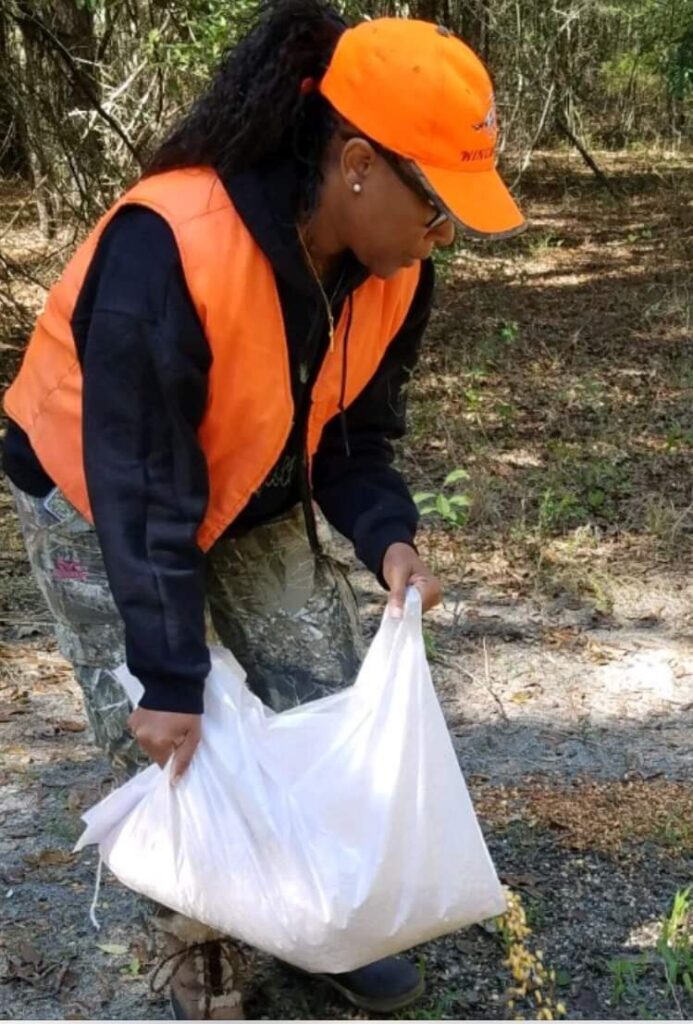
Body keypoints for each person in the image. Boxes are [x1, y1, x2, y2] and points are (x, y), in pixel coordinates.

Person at [2, 1, 525, 1018]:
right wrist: (169, 674)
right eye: (435, 200)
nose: (444, 229)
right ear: (359, 163)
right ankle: (203, 955)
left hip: (247, 482)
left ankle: (316, 922)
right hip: (93, 488)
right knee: (171, 743)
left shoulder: (392, 271)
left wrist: (390, 538)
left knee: (313, 690)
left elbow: (353, 436)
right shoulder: (175, 243)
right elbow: (142, 482)